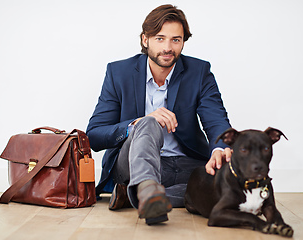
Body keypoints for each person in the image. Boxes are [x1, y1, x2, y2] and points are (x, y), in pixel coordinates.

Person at [86, 4, 232, 225]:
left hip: (185, 164)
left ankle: (137, 195)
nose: (168, 47)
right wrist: (137, 123)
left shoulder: (199, 72)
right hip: (133, 162)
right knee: (148, 123)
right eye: (160, 39)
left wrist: (219, 148)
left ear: (183, 42)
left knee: (225, 184)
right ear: (145, 40)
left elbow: (216, 119)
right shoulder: (119, 73)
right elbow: (94, 135)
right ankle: (145, 187)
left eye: (176, 40)